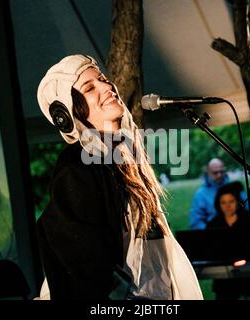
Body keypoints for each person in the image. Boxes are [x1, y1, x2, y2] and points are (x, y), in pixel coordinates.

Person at [35, 54, 203, 300]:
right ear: (69, 113)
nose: (107, 86)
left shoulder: (128, 159)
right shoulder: (77, 167)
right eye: (90, 87)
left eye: (102, 79)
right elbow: (85, 264)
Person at [206, 182, 250, 300]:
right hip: (223, 280)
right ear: (218, 204)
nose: (227, 206)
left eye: (231, 201)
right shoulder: (213, 224)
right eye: (223, 202)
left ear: (237, 202)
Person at [189, 159, 246, 229]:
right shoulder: (200, 195)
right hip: (213, 234)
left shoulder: (235, 189)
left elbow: (247, 211)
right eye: (215, 173)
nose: (219, 175)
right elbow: (196, 223)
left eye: (221, 172)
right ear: (208, 173)